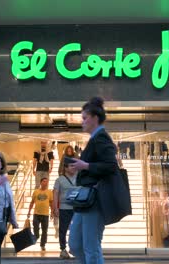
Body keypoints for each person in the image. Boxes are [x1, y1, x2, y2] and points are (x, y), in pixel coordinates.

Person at [68, 97, 119, 264]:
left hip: (94, 200)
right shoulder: (95, 139)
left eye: (84, 118)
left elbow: (111, 165)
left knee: (91, 246)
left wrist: (86, 166)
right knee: (75, 244)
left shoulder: (101, 138)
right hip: (85, 201)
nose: (82, 122)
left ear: (95, 118)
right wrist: (82, 166)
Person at [53, 163, 77, 259]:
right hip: (64, 208)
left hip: (76, 208)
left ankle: (75, 249)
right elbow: (55, 194)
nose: (73, 168)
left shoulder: (78, 178)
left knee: (76, 229)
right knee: (63, 229)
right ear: (65, 168)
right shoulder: (59, 180)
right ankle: (63, 249)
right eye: (71, 166)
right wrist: (55, 208)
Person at [27, 177, 53, 251]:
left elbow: (51, 203)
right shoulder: (36, 191)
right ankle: (36, 236)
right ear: (41, 182)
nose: (45, 183)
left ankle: (43, 244)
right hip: (36, 214)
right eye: (44, 181)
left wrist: (52, 212)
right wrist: (29, 211)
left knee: (45, 230)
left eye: (46, 181)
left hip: (45, 214)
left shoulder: (49, 192)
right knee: (35, 227)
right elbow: (32, 202)